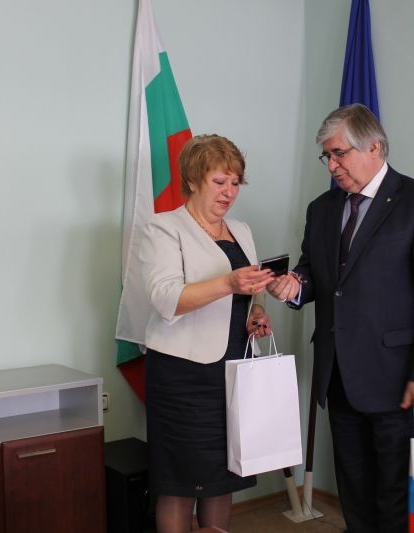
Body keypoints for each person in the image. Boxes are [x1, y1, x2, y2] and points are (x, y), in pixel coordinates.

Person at [268, 104, 414, 532]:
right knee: (354, 491)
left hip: (397, 380)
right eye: (327, 156)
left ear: (374, 147)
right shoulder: (321, 209)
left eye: (339, 153)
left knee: (393, 496)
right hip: (338, 377)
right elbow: (315, 273)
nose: (331, 165)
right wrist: (294, 287)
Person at [138, 134, 275, 533]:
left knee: (221, 479)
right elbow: (166, 298)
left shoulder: (242, 230)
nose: (229, 192)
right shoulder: (164, 228)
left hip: (234, 370)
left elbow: (244, 298)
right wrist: (229, 283)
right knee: (180, 483)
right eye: (219, 182)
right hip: (183, 376)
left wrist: (255, 313)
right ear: (193, 180)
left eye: (235, 183)